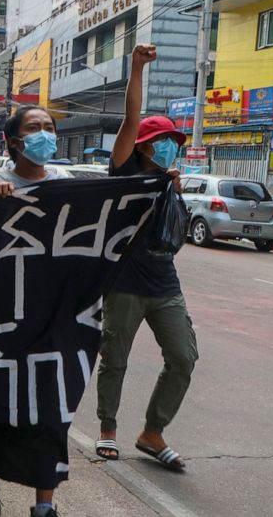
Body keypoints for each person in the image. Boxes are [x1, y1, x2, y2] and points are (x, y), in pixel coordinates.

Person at [95, 44, 198, 472]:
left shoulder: (169, 183)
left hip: (164, 284)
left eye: (174, 141)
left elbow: (172, 237)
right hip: (123, 284)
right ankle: (108, 429)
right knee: (114, 359)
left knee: (183, 357)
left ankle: (153, 433)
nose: (170, 147)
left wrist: (172, 190)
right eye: (161, 142)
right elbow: (130, 119)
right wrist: (137, 68)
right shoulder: (124, 172)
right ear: (143, 147)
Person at [0, 104, 72, 517]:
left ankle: (44, 503)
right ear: (14, 141)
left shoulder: (65, 184)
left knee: (50, 403)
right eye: (34, 128)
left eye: (49, 127)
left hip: (51, 312)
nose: (44, 134)